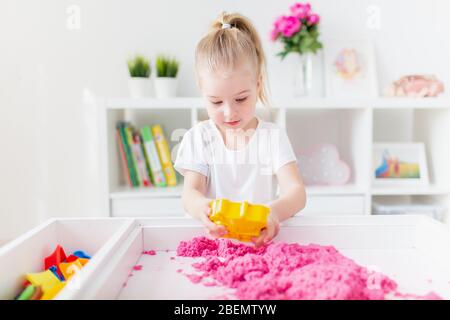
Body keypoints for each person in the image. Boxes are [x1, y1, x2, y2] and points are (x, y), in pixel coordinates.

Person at [174, 12, 306, 246]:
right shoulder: (199, 138)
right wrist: (201, 208)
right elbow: (190, 194)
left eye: (241, 99)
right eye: (216, 102)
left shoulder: (272, 137)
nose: (229, 112)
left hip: (259, 245)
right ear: (201, 89)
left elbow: (296, 192)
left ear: (257, 84)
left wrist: (273, 212)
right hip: (213, 246)